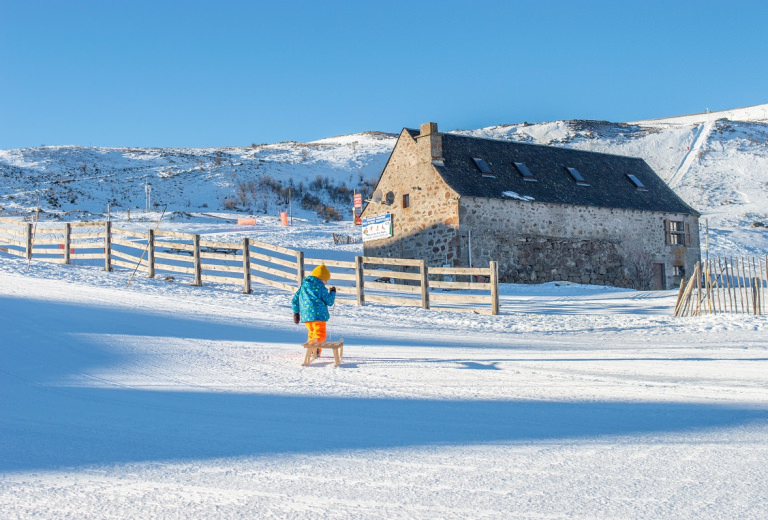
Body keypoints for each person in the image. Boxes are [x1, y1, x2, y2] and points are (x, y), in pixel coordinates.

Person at [291, 264, 336, 355]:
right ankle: (314, 348)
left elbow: (295, 299)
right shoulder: (320, 287)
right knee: (320, 333)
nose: (325, 283)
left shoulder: (304, 286)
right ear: (321, 278)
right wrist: (332, 293)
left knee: (312, 333)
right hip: (318, 316)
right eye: (325, 280)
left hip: (306, 317)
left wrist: (296, 313)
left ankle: (314, 350)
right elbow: (329, 301)